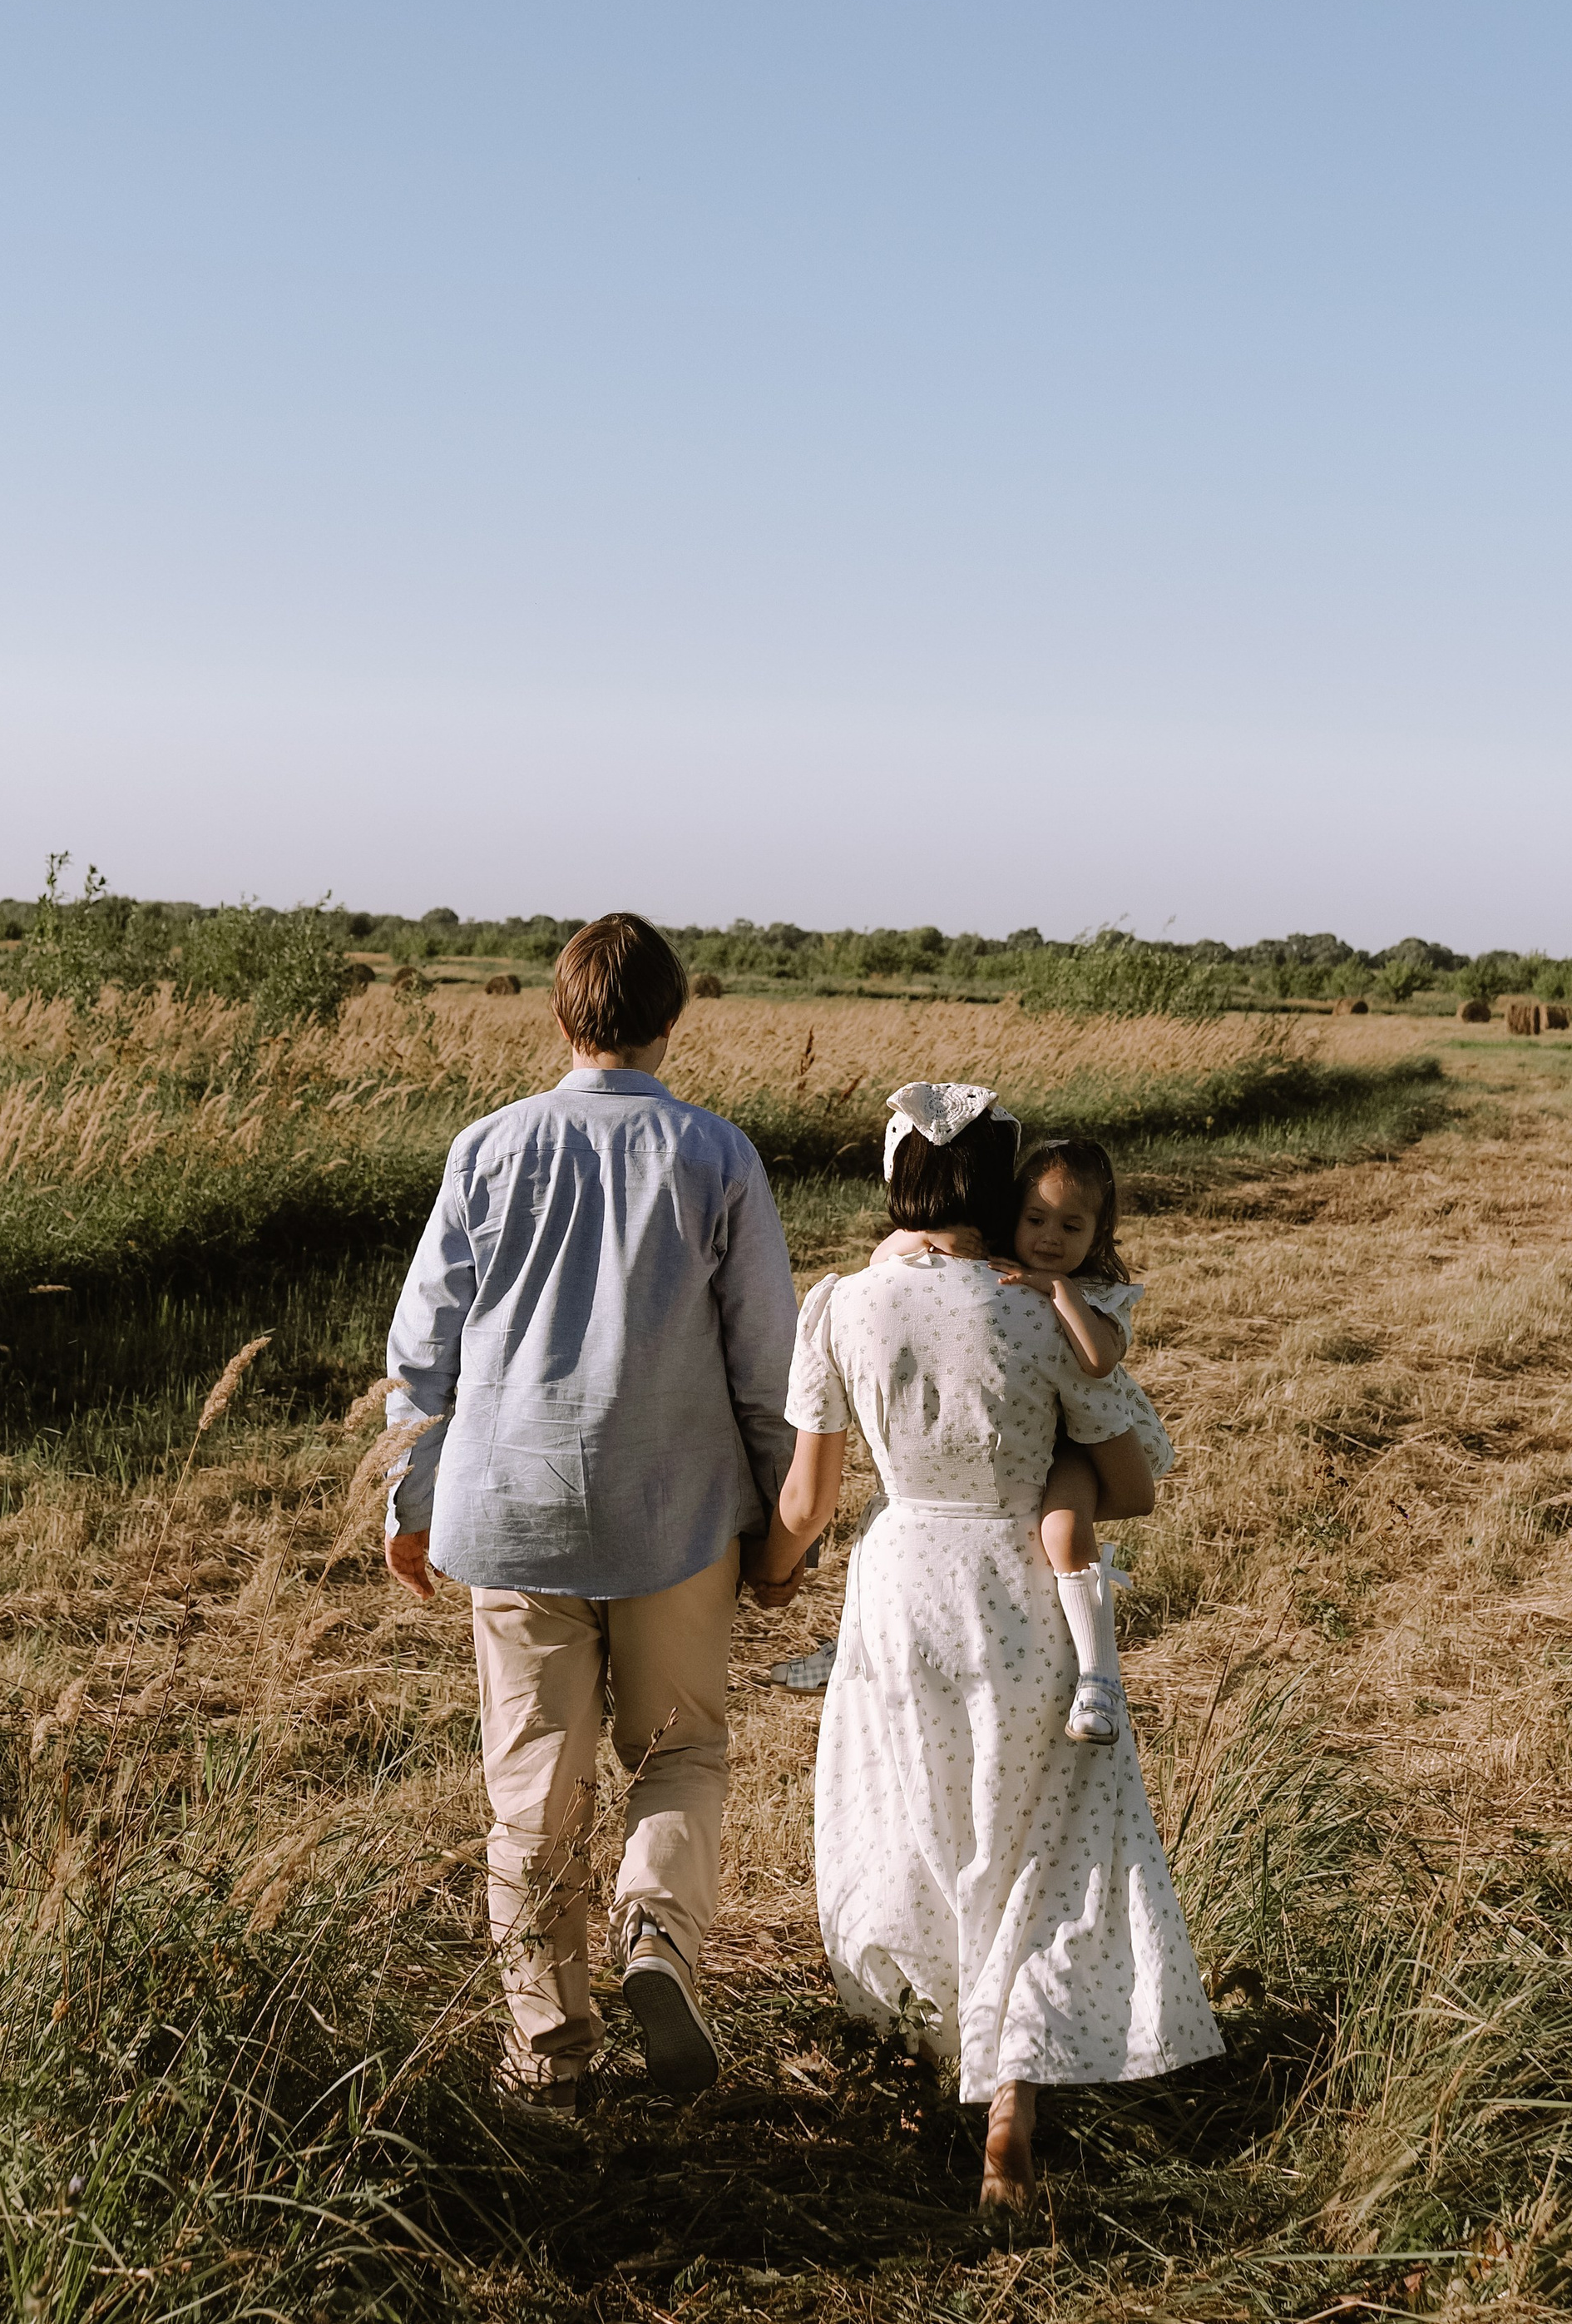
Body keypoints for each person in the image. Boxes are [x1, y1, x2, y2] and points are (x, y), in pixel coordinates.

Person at [748, 1083, 1222, 2211]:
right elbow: (1133, 1480)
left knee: (920, 1821)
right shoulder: (1031, 1303)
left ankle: (937, 2042)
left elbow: (810, 1499)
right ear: (1000, 1183)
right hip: (1018, 1589)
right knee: (1037, 1843)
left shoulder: (838, 1305)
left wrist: (767, 1575)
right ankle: (1010, 2096)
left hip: (902, 1583)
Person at [382, 912, 798, 2105]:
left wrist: (410, 1496)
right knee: (683, 1752)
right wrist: (776, 1520)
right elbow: (765, 1362)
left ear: (561, 1018)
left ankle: (549, 2053)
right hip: (676, 1516)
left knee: (533, 1793)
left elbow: (425, 1349)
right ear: (674, 1020)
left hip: (511, 1512)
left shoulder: (488, 1147)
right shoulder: (719, 1156)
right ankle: (659, 1936)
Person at [876, 1134, 1148, 1745]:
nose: (1050, 1237)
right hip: (1026, 1439)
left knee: (1061, 1529)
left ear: (1098, 1237)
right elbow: (880, 1256)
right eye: (1036, 1219)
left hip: (1075, 1445)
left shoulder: (1098, 1293)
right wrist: (927, 1237)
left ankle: (1099, 1676)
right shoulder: (996, 1260)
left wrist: (1059, 1292)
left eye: (1071, 1226)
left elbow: (1098, 1360)